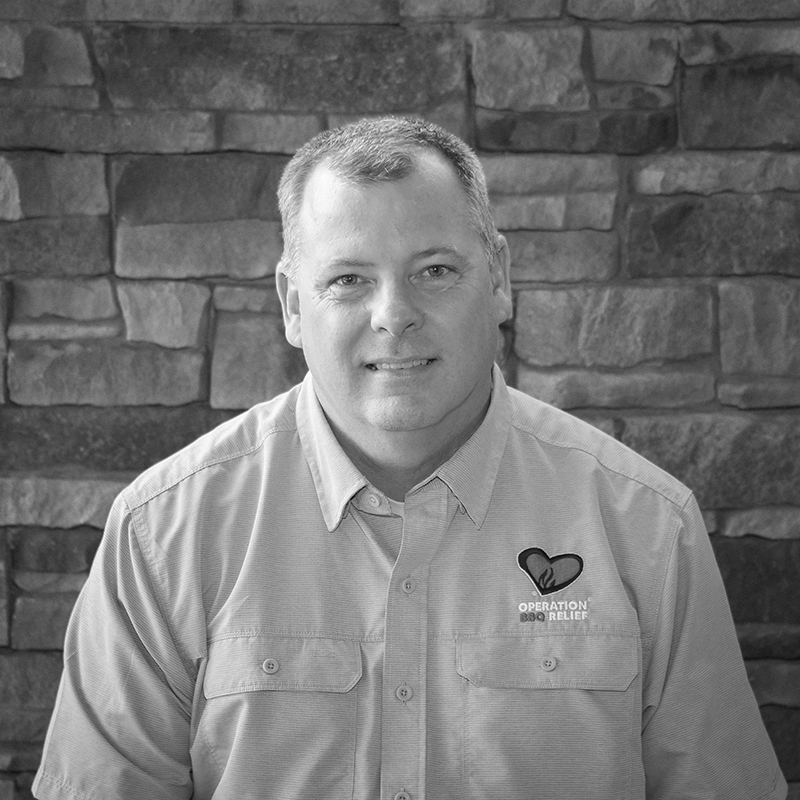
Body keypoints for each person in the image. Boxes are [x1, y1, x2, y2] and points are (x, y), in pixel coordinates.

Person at [33, 117, 786, 800]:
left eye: (434, 271)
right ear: (292, 305)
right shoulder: (160, 534)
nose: (393, 315)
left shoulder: (650, 527)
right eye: (348, 280)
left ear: (499, 278)